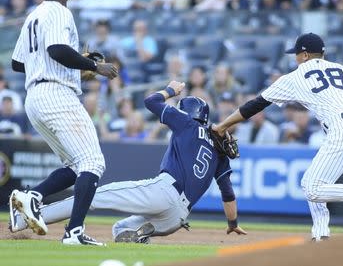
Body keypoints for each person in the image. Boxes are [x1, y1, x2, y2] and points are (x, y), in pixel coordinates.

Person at [213, 33, 343, 241]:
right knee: (316, 178)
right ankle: (320, 234)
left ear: (305, 55)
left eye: (297, 54)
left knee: (311, 188)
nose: (295, 58)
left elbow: (255, 105)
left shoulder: (297, 76)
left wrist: (222, 125)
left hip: (341, 129)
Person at [10, 81, 246, 243]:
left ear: (188, 112)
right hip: (178, 217)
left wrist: (169, 90)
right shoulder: (219, 151)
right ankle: (140, 238)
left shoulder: (187, 123)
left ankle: (22, 220)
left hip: (164, 191)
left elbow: (151, 102)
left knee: (93, 196)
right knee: (120, 230)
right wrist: (233, 223)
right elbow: (228, 194)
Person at [9, 0, 118, 246]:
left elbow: (18, 63)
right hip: (56, 94)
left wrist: (73, 66)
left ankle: (31, 197)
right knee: (93, 163)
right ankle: (74, 233)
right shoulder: (59, 11)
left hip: (35, 98)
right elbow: (57, 50)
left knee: (75, 164)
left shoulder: (33, 15)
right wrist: (94, 66)